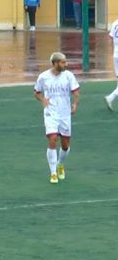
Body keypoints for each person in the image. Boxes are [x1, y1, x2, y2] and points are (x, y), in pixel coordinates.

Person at [34, 52, 80, 184]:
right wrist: (42, 99)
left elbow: (76, 92)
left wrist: (75, 104)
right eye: (63, 62)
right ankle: (53, 173)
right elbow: (36, 92)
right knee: (53, 139)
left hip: (65, 113)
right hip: (51, 112)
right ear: (55, 63)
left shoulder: (68, 76)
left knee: (65, 145)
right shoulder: (43, 77)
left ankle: (60, 164)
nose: (66, 64)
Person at [105, 19, 118, 111]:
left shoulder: (115, 23)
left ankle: (111, 98)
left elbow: (110, 38)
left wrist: (111, 51)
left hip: (116, 55)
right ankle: (110, 97)